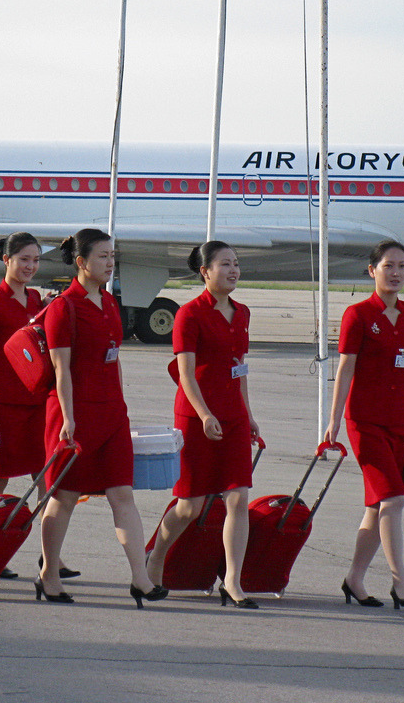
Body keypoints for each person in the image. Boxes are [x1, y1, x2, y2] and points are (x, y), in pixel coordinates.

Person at [36, 228, 167, 608]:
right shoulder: (64, 307)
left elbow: (115, 357)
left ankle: (140, 580)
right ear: (81, 262)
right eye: (102, 257)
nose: (110, 263)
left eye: (112, 256)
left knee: (122, 493)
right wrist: (68, 419)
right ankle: (49, 575)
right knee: (63, 496)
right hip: (73, 415)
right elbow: (61, 369)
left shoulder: (109, 303)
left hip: (111, 414)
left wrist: (121, 406)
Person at [145, 241, 262, 609]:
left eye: (236, 264)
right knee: (189, 506)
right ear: (205, 272)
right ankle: (156, 556)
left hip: (234, 416)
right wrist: (205, 414)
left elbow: (239, 366)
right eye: (225, 264)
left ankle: (232, 580)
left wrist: (248, 412)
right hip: (197, 417)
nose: (233, 270)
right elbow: (185, 373)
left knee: (238, 496)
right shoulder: (189, 314)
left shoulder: (242, 313)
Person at [0, 231, 77, 581]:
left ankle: (50, 559)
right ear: (6, 261)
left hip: (36, 404)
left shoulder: (36, 301)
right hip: (0, 404)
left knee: (46, 480)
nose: (30, 266)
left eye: (35, 260)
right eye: (23, 260)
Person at [324, 239, 404, 610]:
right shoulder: (358, 314)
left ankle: (354, 579)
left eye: (402, 266)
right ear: (372, 271)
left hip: (399, 421)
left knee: (376, 507)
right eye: (388, 266)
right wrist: (334, 419)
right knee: (394, 499)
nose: (396, 273)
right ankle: (401, 582)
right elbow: (345, 368)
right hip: (364, 422)